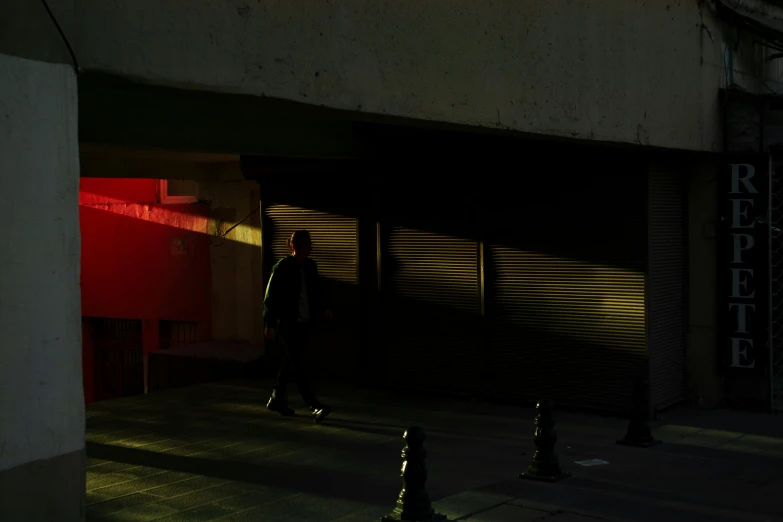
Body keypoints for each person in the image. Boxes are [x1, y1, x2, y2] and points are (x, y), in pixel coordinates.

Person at [263, 230, 332, 423]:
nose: (309, 248)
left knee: (291, 360)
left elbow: (317, 291)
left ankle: (277, 398)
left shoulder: (310, 267)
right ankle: (314, 405)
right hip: (288, 322)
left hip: (304, 321)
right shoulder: (282, 268)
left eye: (310, 244)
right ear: (294, 246)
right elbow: (270, 298)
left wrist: (324, 308)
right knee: (298, 364)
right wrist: (270, 323)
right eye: (305, 244)